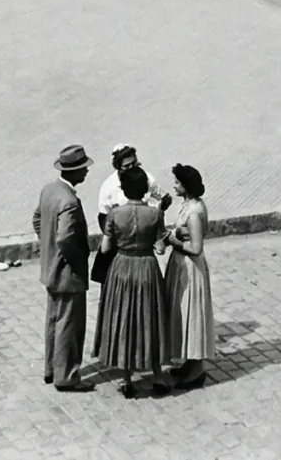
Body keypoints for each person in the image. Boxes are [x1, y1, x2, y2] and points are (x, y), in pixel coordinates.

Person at [95, 164, 168, 399]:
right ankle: (157, 374)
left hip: (122, 267)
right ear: (145, 188)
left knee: (124, 318)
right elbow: (160, 248)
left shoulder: (116, 214)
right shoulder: (156, 214)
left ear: (124, 189)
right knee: (150, 316)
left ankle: (127, 380)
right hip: (146, 266)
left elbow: (106, 247)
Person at [34, 144, 94, 391]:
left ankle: (51, 368)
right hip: (68, 273)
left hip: (50, 269)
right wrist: (77, 260)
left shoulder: (49, 190)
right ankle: (66, 375)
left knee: (53, 321)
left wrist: (48, 247)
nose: (87, 173)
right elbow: (66, 239)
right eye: (84, 169)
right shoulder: (69, 201)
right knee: (69, 325)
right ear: (74, 171)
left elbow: (38, 219)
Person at [159, 163, 214, 389]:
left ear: (186, 186)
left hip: (190, 268)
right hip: (182, 265)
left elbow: (196, 248)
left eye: (177, 183)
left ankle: (197, 368)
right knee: (184, 312)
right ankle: (189, 363)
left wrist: (172, 240)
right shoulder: (189, 205)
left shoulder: (193, 213)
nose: (174, 185)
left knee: (192, 312)